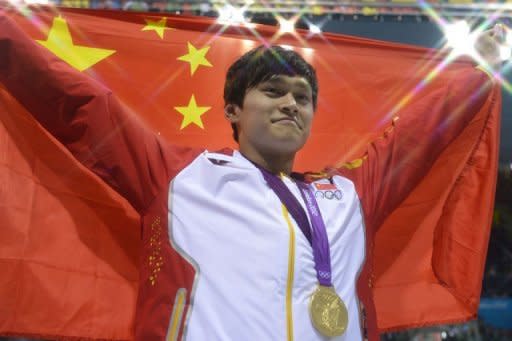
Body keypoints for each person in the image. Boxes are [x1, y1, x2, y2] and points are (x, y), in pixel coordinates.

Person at [0, 12, 504, 341]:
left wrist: (479, 62)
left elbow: (418, 136)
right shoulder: (177, 175)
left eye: (302, 98)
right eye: (273, 91)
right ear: (234, 110)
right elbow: (80, 107)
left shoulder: (349, 195)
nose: (291, 103)